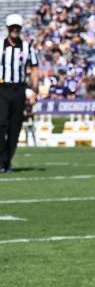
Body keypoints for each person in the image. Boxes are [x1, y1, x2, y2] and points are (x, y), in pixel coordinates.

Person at [1, 14, 39, 172]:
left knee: (15, 128)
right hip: (2, 88)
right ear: (7, 28)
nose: (15, 30)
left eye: (17, 27)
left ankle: (6, 162)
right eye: (12, 27)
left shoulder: (27, 47)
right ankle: (2, 158)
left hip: (19, 89)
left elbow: (34, 67)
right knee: (0, 122)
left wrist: (35, 90)